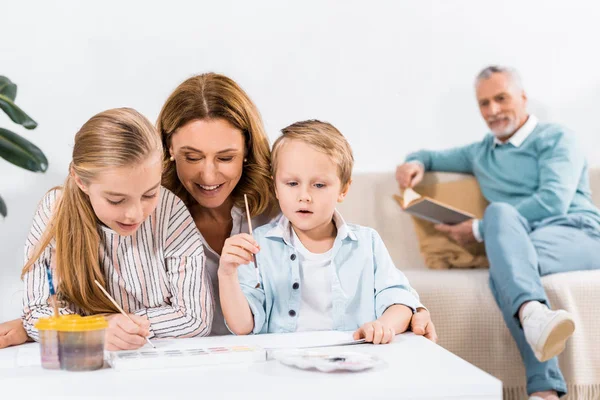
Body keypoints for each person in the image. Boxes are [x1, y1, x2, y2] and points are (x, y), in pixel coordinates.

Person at [0, 72, 437, 345]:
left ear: (248, 149)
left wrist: (407, 312)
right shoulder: (153, 204)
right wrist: (58, 327)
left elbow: (354, 268)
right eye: (192, 156)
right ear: (167, 149)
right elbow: (54, 298)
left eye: (225, 157)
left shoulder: (282, 209)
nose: (209, 175)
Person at [396, 65, 600, 400]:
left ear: (523, 97)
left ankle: (544, 385)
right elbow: (428, 156)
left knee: (504, 260)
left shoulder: (557, 138)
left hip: (578, 232)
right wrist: (414, 163)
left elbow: (553, 201)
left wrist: (478, 229)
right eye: (484, 103)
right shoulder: (481, 153)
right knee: (502, 224)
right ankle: (534, 322)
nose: (493, 111)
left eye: (501, 98)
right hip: (522, 244)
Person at [21, 108, 213, 350]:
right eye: (116, 200)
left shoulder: (170, 209)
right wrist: (97, 329)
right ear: (81, 181)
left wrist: (108, 326)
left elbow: (195, 318)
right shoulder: (54, 212)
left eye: (149, 194)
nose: (135, 214)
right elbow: (34, 313)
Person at [219, 120, 422, 344]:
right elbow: (242, 326)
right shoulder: (257, 245)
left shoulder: (367, 243)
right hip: (282, 364)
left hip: (352, 360)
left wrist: (383, 326)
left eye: (319, 185)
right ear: (275, 187)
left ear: (343, 190)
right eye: (292, 183)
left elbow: (400, 300)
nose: (304, 195)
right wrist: (227, 274)